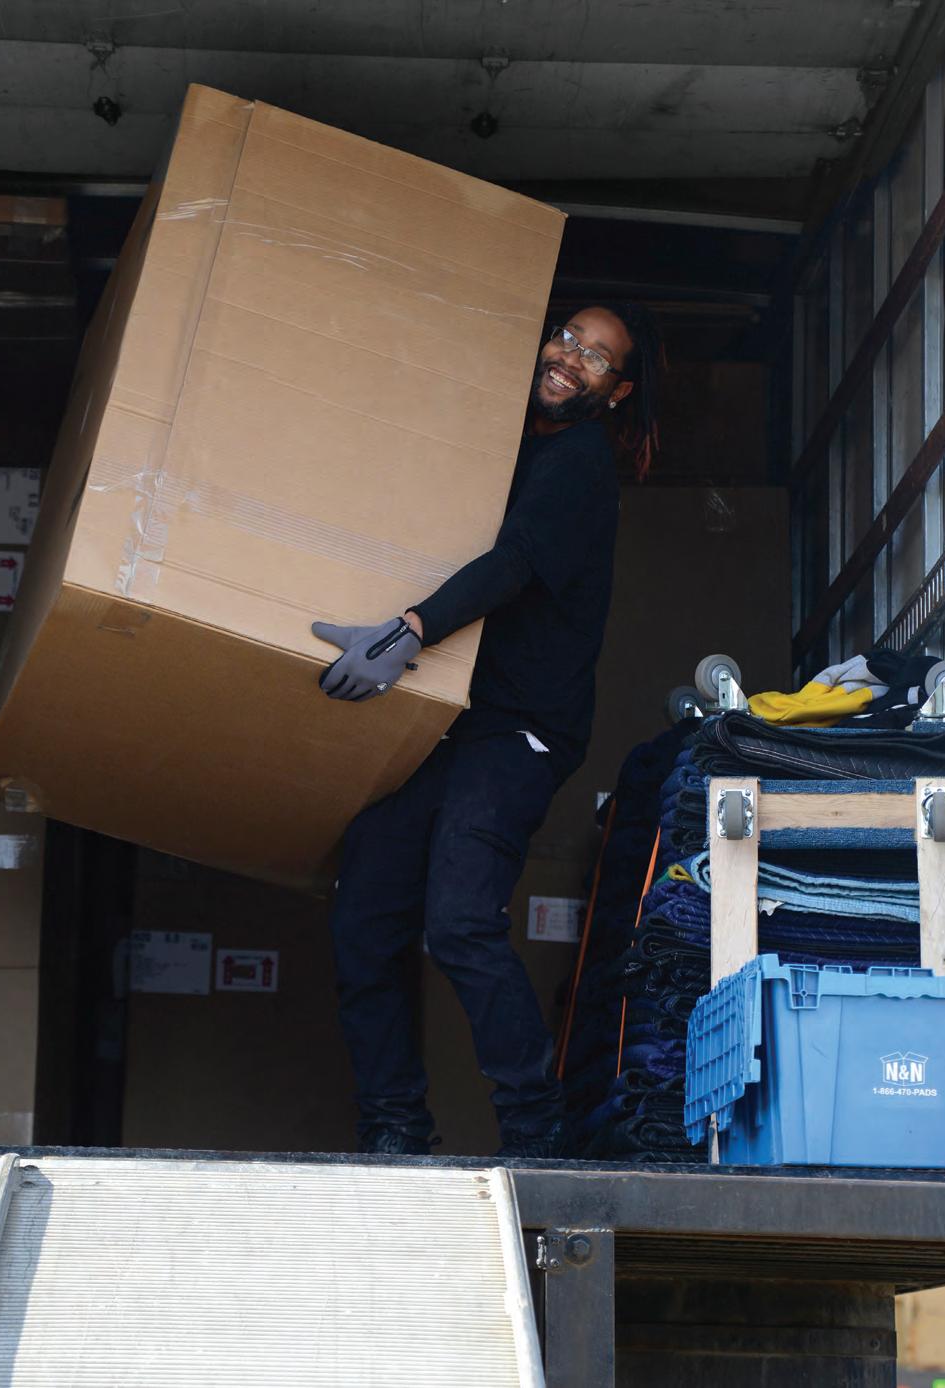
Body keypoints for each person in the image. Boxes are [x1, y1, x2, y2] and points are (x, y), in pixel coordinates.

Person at [311, 303, 663, 1158]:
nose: (571, 358)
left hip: (521, 732)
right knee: (364, 912)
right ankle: (395, 1125)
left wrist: (406, 632)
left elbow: (514, 564)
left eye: (597, 358)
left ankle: (536, 1130)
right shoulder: (499, 446)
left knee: (461, 920)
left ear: (617, 392)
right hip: (453, 724)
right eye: (567, 339)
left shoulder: (579, 463)